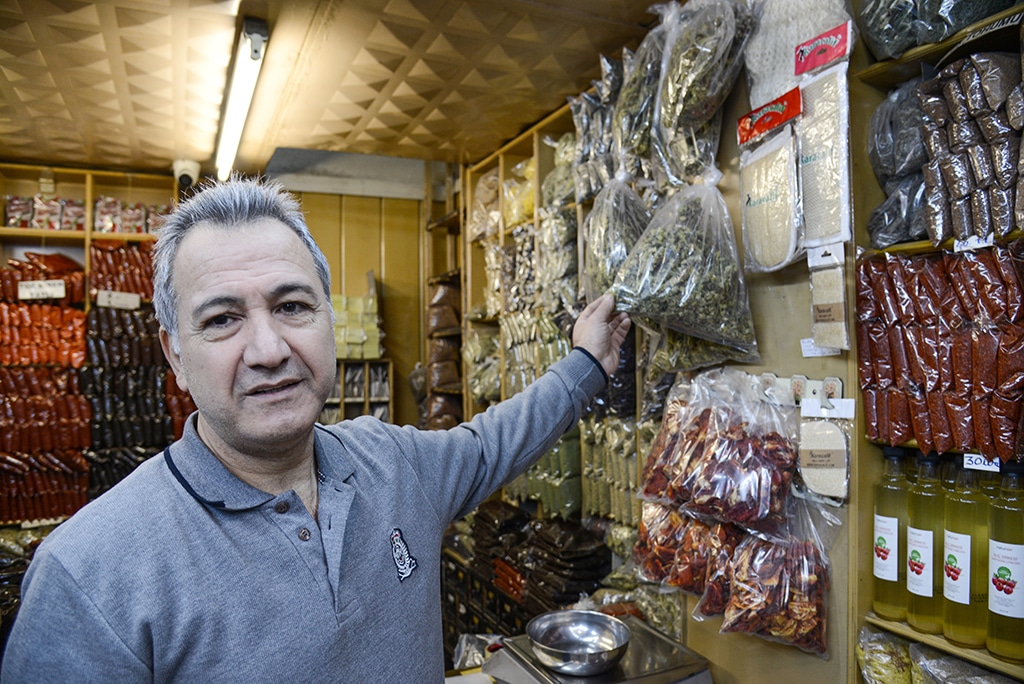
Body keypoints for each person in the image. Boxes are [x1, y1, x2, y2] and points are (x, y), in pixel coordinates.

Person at [0, 176, 631, 682]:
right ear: (174, 353)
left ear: (328, 319)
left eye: (292, 306)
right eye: (222, 319)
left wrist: (587, 364)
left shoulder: (393, 461)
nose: (269, 348)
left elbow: (494, 442)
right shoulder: (87, 575)